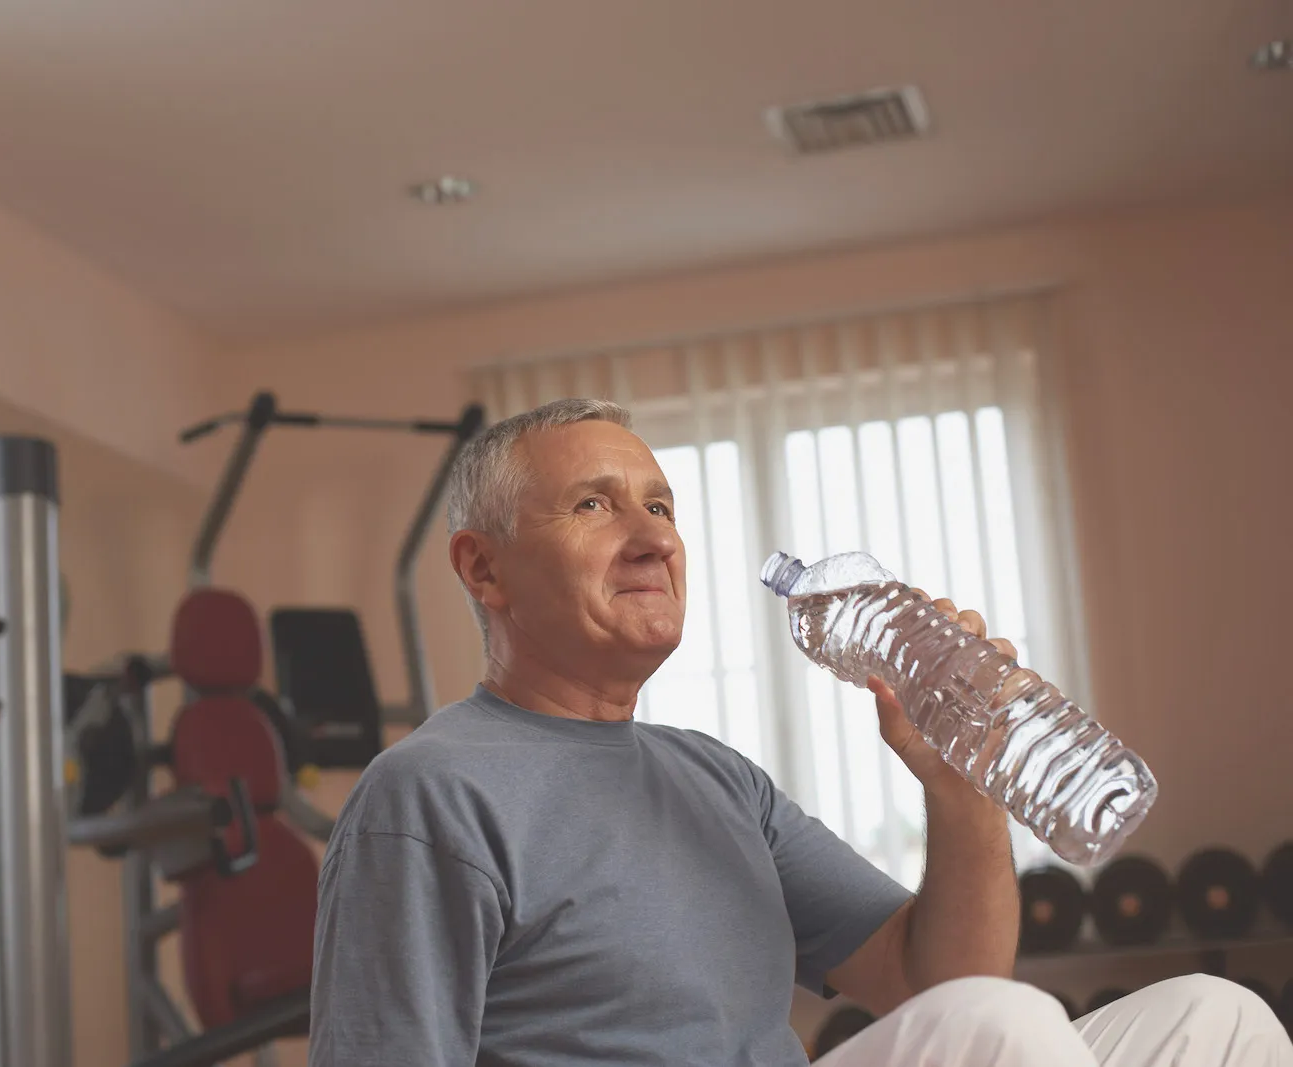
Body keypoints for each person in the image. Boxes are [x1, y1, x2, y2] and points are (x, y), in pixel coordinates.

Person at [309, 398, 1290, 1066]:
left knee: (1218, 1017)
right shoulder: (431, 790)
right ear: (482, 570)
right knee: (1006, 1023)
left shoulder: (715, 778)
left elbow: (935, 982)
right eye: (595, 505)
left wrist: (960, 787)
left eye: (661, 505)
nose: (652, 535)